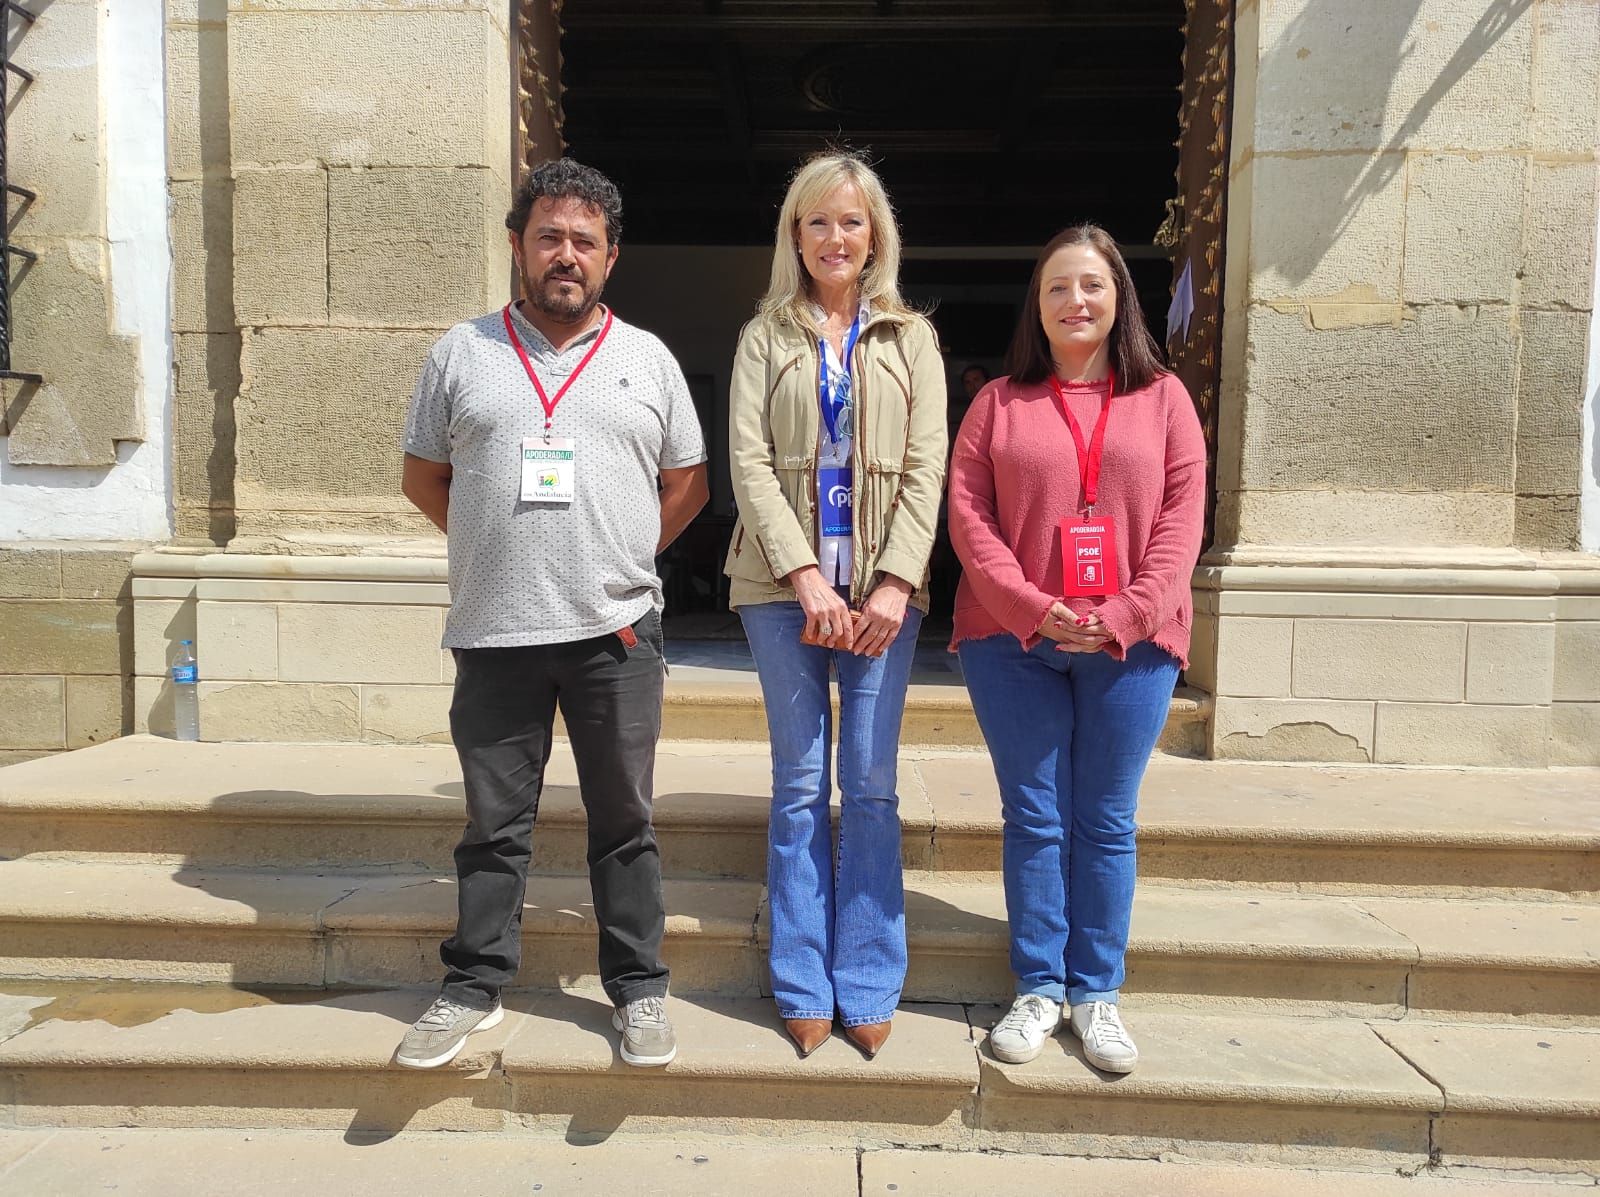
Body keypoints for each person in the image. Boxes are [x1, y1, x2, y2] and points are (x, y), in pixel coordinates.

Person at [396, 158, 709, 1070]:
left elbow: (687, 481)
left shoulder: (646, 357)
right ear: (518, 246)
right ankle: (472, 986)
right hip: (496, 632)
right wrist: (496, 544)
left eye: (584, 240)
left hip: (615, 632)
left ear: (610, 256)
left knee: (625, 821)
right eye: (548, 237)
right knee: (493, 827)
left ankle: (640, 989)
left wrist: (624, 552)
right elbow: (424, 476)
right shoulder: (462, 352)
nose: (564, 255)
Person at [948, 224, 1205, 1073]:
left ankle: (1096, 992)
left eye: (1091, 284)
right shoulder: (999, 404)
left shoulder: (1165, 398)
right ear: (1039, 305)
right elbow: (969, 520)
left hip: (1132, 644)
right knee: (1035, 815)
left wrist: (1126, 611)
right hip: (1013, 640)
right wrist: (1035, 605)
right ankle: (1039, 986)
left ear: (1119, 296)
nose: (1075, 301)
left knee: (1103, 819)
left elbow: (1181, 522)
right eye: (1057, 287)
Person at [725, 152, 946, 1060]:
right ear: (794, 234)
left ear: (876, 234)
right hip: (785, 594)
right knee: (798, 784)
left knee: (873, 783)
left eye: (850, 221)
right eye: (817, 221)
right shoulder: (762, 336)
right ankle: (800, 976)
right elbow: (745, 463)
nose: (835, 238)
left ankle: (867, 974)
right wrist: (804, 575)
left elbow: (929, 464)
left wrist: (893, 581)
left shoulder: (912, 338)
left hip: (884, 597)